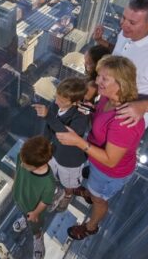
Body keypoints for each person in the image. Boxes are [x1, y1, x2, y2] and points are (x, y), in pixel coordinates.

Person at [56, 55, 145, 240]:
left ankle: (91, 227)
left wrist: (78, 141)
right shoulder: (108, 99)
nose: (97, 81)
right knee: (94, 190)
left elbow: (111, 160)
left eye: (104, 78)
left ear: (121, 83)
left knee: (99, 200)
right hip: (97, 163)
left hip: (109, 172)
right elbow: (100, 120)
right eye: (98, 76)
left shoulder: (124, 121)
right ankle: (89, 192)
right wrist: (91, 109)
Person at [32, 78, 89, 212]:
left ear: (75, 102)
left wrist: (48, 116)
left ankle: (68, 195)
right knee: (50, 173)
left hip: (70, 161)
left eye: (62, 101)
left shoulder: (81, 117)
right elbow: (49, 126)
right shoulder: (56, 105)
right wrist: (43, 143)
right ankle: (57, 191)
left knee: (68, 182)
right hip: (54, 152)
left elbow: (66, 136)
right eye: (57, 97)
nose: (57, 102)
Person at [12, 135, 56, 259]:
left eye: (25, 165)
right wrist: (15, 184)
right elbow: (17, 170)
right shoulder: (23, 158)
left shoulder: (48, 182)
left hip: (34, 208)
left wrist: (36, 213)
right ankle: (25, 219)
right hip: (20, 198)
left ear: (38, 165)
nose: (22, 165)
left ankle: (38, 237)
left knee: (35, 225)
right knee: (24, 213)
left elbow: (45, 201)